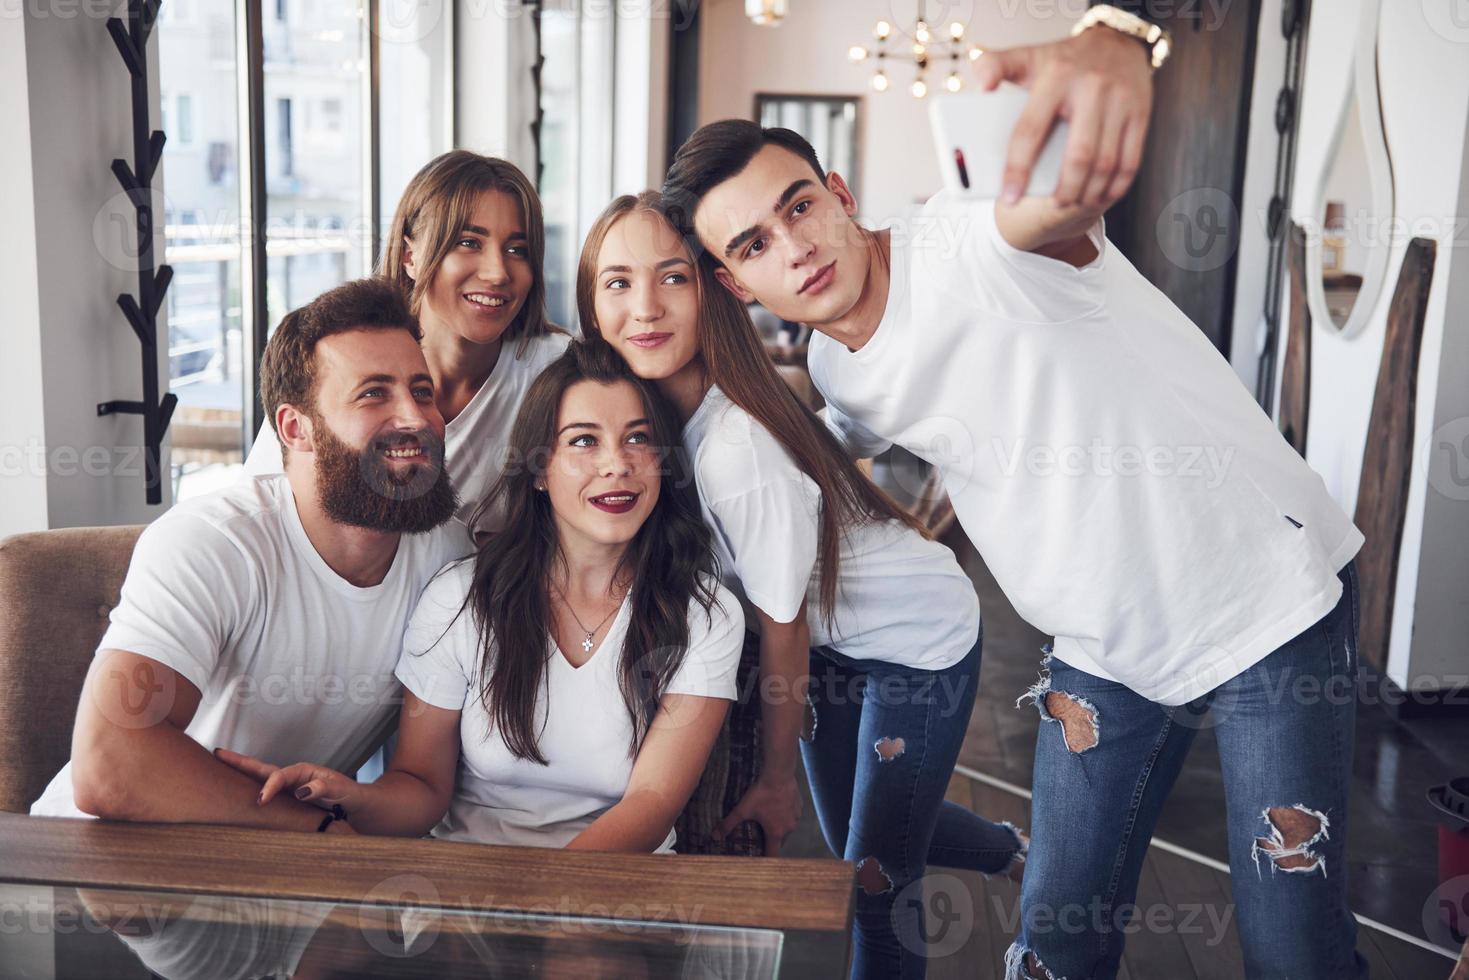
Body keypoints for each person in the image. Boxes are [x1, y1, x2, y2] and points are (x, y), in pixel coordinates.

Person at [659, 34, 1366, 980]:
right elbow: (838, 433)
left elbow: (1053, 208)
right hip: (1104, 651)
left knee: (1295, 956)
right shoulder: (834, 364)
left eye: (798, 207)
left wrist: (1113, 51)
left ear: (838, 190)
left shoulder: (969, 242)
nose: (796, 248)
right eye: (753, 245)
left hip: (1267, 600)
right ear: (736, 285)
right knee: (1052, 949)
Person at [580, 192, 1026, 978]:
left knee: (874, 881)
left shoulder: (733, 448)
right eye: (616, 282)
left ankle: (1013, 857)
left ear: (713, 288)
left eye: (671, 278)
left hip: (916, 642)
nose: (643, 307)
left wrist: (773, 778)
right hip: (828, 640)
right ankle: (1021, 849)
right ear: (588, 299)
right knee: (859, 823)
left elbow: (779, 626)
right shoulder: (648, 419)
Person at [217, 342, 744, 858]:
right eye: (584, 441)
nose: (617, 465)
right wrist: (350, 797)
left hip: (614, 891)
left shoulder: (706, 614)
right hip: (468, 883)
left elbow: (652, 804)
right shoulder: (459, 598)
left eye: (638, 439)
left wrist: (539, 905)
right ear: (539, 469)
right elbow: (421, 785)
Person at [31, 277, 469, 834]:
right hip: (92, 864)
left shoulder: (448, 558)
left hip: (278, 876)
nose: (415, 417)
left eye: (422, 390)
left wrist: (334, 831)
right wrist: (319, 832)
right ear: (296, 428)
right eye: (373, 393)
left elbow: (420, 784)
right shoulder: (212, 542)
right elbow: (110, 766)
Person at [244, 151, 569, 532]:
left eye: (517, 251)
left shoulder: (558, 371)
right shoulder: (335, 361)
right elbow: (260, 510)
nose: (498, 273)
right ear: (410, 256)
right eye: (468, 242)